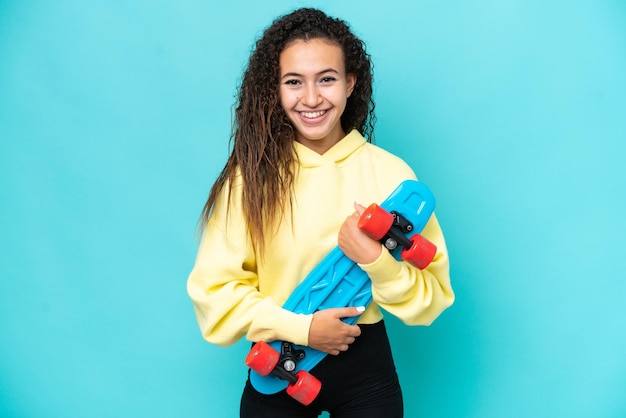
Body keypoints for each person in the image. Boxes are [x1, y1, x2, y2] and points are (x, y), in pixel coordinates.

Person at [187, 7, 454, 418]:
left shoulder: (392, 175)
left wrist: (375, 261)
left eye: (326, 79)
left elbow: (432, 297)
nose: (311, 99)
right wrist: (304, 329)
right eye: (294, 82)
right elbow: (214, 295)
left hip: (366, 367)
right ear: (274, 89)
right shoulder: (250, 180)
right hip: (279, 361)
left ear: (350, 83)